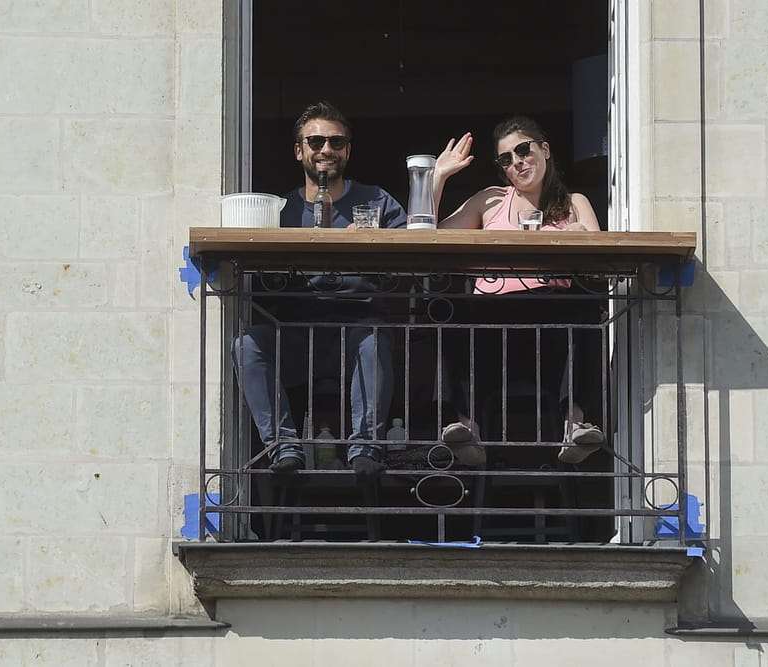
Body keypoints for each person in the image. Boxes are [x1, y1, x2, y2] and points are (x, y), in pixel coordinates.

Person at [231, 101, 406, 484]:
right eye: (316, 141)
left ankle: (366, 449)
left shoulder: (376, 201)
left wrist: (372, 243)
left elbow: (414, 251)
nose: (326, 149)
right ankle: (283, 448)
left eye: (336, 142)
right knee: (247, 345)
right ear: (299, 151)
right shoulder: (277, 211)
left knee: (374, 338)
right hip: (295, 334)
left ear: (348, 150)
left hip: (358, 331)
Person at [432, 116, 606, 465]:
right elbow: (427, 232)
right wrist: (437, 177)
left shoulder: (574, 203)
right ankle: (467, 428)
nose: (517, 162)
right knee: (453, 309)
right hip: (493, 329)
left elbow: (599, 260)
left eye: (523, 150)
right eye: (506, 159)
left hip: (553, 331)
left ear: (545, 150)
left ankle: (574, 425)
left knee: (586, 306)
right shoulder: (491, 200)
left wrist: (578, 234)